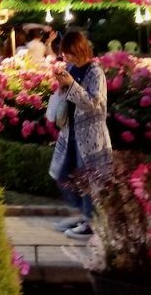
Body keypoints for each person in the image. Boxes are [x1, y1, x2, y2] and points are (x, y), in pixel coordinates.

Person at [48, 30, 113, 240]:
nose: (65, 57)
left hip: (91, 136)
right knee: (62, 173)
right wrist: (61, 85)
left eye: (68, 53)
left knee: (88, 179)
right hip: (70, 131)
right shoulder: (71, 68)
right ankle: (83, 214)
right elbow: (68, 96)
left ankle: (90, 222)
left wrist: (71, 85)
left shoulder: (95, 72)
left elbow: (97, 104)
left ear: (78, 50)